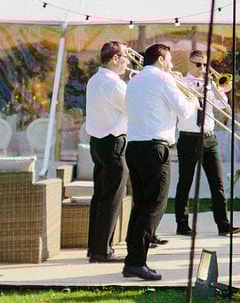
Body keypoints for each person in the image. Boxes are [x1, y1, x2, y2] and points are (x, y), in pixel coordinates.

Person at [123, 44, 197, 281]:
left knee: (141, 205)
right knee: (155, 205)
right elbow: (185, 111)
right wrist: (192, 96)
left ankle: (132, 260)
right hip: (155, 147)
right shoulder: (164, 80)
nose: (173, 65)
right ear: (162, 58)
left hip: (134, 145)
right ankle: (136, 262)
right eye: (170, 60)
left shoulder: (133, 80)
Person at [173, 50, 240, 238]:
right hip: (188, 137)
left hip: (209, 138)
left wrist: (218, 89)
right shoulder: (180, 83)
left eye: (204, 65)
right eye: (198, 64)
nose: (202, 68)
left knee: (217, 183)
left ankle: (223, 224)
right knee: (185, 182)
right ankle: (182, 224)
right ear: (189, 63)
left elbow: (223, 106)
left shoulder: (210, 85)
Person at [84, 41, 130, 263]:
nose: (127, 62)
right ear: (115, 58)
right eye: (125, 57)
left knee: (100, 198)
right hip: (113, 144)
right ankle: (102, 250)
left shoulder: (94, 80)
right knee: (112, 199)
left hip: (97, 144)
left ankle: (95, 247)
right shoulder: (114, 84)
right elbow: (134, 108)